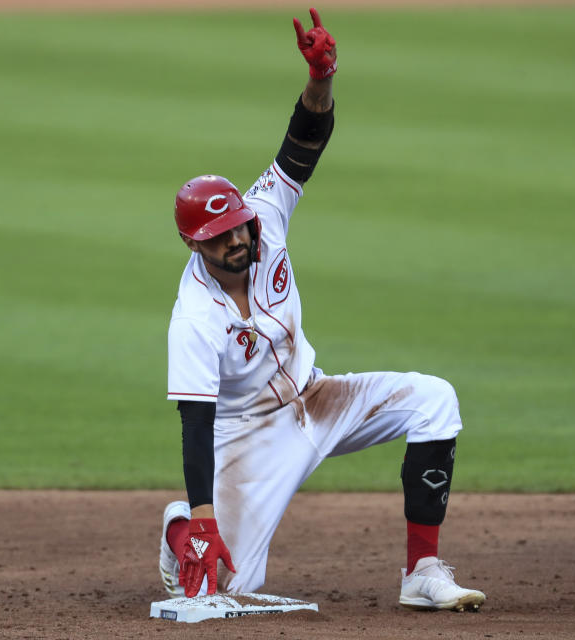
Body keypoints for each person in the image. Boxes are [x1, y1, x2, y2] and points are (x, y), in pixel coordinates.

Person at [157, 8, 486, 612]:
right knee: (228, 589)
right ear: (194, 245)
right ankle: (179, 526)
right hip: (249, 434)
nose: (237, 240)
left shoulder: (265, 214)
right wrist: (202, 519)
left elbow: (303, 141)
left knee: (435, 399)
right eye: (220, 236)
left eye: (239, 227)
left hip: (318, 398)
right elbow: (196, 426)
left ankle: (422, 571)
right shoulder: (194, 320)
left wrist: (322, 75)